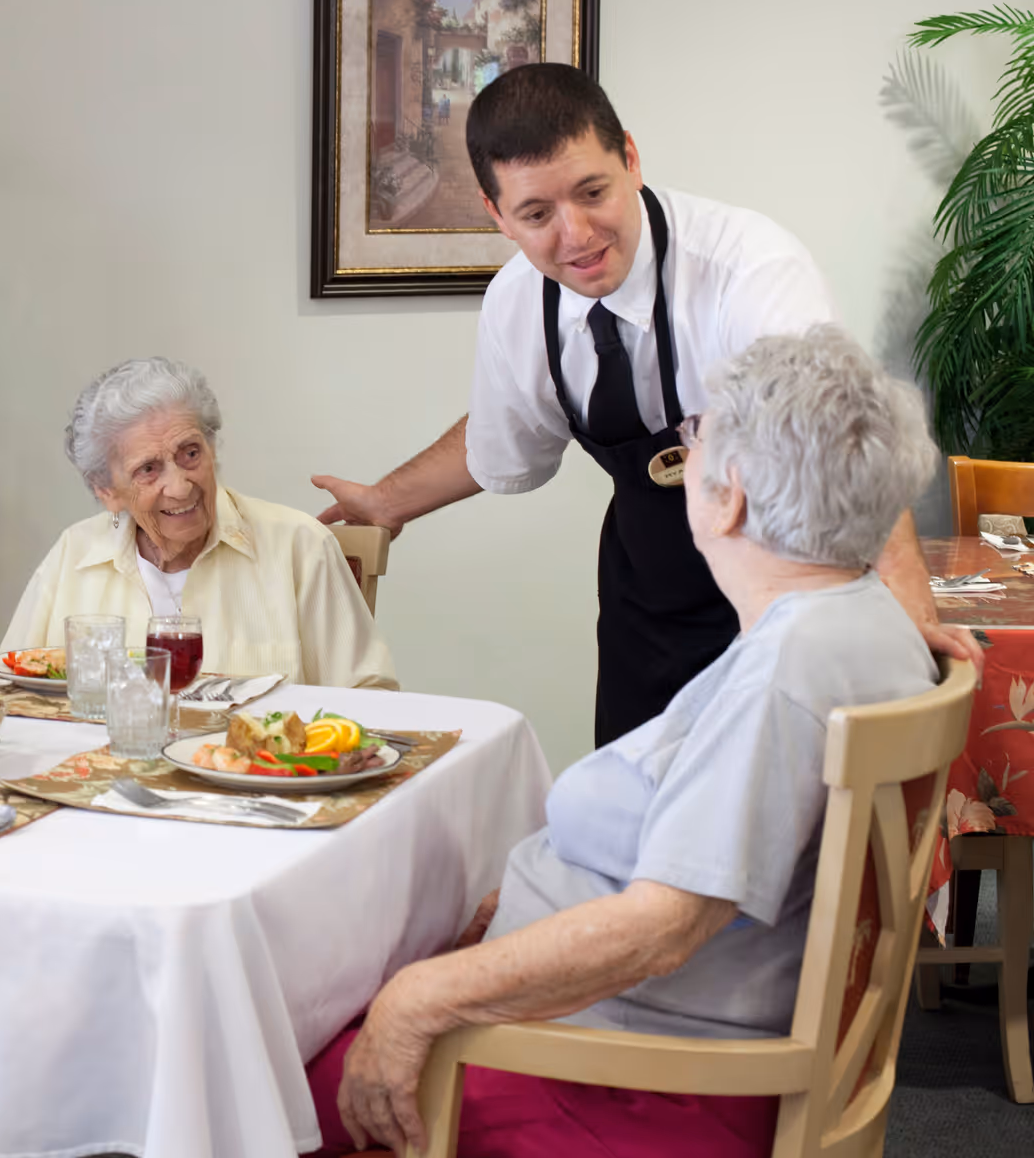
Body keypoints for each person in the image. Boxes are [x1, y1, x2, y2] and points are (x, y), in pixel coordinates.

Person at [308, 326, 940, 1157]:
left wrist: (421, 998)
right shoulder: (862, 620)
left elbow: (663, 926)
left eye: (695, 438)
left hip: (652, 1080)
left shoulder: (787, 672)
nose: (685, 457)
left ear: (731, 495)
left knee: (266, 1077)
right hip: (673, 1036)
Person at [313, 63, 978, 748]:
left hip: (788, 595)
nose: (575, 235)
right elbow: (501, 440)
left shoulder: (748, 265)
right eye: (537, 214)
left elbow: (842, 432)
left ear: (630, 157)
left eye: (592, 192)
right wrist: (387, 501)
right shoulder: (517, 305)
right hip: (647, 606)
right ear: (497, 215)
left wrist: (907, 606)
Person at [2, 357, 397, 688]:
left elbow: (372, 700)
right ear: (107, 491)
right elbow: (7, 688)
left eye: (190, 453)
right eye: (148, 470)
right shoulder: (74, 552)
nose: (178, 486)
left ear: (211, 446)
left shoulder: (298, 545)